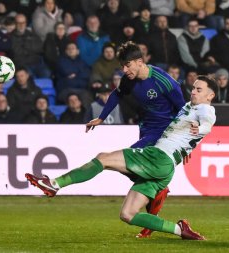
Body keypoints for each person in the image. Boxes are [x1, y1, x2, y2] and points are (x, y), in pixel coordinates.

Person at [26, 75, 217, 240]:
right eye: (193, 88)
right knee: (128, 214)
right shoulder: (189, 107)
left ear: (210, 96)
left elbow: (207, 125)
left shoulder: (205, 109)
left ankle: (55, 183)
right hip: (165, 167)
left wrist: (199, 129)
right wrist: (188, 147)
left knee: (103, 158)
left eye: (199, 90)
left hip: (157, 157)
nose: (193, 91)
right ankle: (180, 230)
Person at [85, 41, 187, 238]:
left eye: (127, 65)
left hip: (163, 134)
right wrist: (102, 117)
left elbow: (184, 112)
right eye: (122, 65)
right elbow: (117, 94)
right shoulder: (129, 79)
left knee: (128, 162)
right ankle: (157, 198)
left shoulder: (165, 82)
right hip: (146, 130)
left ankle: (157, 197)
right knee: (139, 173)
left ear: (140, 62)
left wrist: (184, 144)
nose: (124, 70)